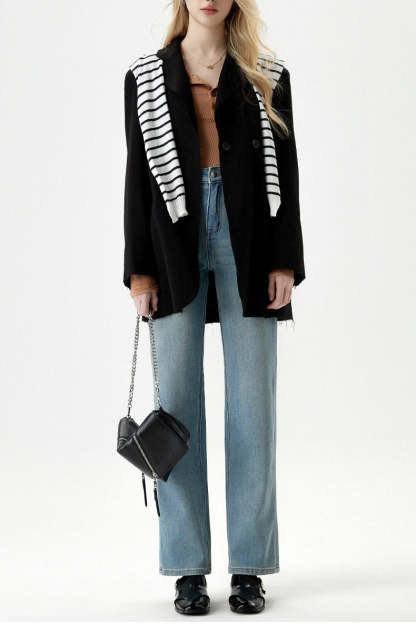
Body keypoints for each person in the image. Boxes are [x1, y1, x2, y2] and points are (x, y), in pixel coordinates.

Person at [122, 0, 305, 615]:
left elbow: (287, 171)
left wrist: (284, 261)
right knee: (175, 409)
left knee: (253, 404)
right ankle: (187, 568)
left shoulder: (266, 73)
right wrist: (139, 271)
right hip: (172, 238)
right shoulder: (146, 77)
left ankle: (250, 565)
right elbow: (137, 179)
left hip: (250, 236)